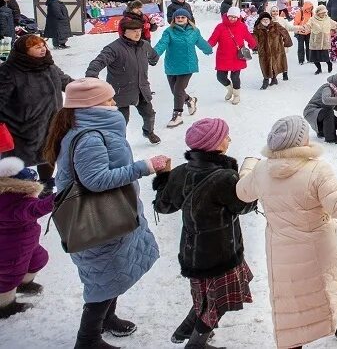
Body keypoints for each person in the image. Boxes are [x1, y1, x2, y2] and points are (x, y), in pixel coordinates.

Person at [44, 78, 169, 349]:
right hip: (98, 221)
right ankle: (87, 339)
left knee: (110, 274)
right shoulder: (89, 136)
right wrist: (144, 167)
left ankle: (107, 319)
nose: (114, 105)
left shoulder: (89, 127)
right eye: (109, 100)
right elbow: (95, 180)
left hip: (112, 217)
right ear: (92, 105)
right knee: (102, 279)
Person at [235, 116, 337, 348]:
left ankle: (294, 343)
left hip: (282, 252)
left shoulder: (263, 169)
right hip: (319, 246)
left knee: (290, 306)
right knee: (333, 281)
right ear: (300, 141)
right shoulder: (316, 169)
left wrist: (248, 168)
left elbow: (243, 192)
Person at [153, 118, 258, 347]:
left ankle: (185, 328)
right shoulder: (224, 178)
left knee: (206, 294)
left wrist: (163, 178)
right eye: (225, 136)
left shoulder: (180, 172)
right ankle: (196, 344)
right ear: (215, 144)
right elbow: (244, 206)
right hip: (221, 252)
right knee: (216, 302)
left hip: (193, 250)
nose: (229, 139)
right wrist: (251, 184)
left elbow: (163, 205)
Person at [0, 35, 72, 185]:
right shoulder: (9, 71)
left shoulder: (48, 66)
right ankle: (13, 197)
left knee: (48, 156)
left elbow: (67, 83)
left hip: (51, 125)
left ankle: (46, 187)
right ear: (24, 51)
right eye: (37, 47)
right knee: (15, 169)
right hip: (21, 131)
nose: (43, 49)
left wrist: (90, 87)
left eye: (43, 46)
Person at [86, 17, 161, 145]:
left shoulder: (144, 45)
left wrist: (153, 59)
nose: (137, 33)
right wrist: (92, 75)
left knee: (149, 114)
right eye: (133, 31)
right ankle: (120, 142)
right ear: (124, 32)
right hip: (120, 91)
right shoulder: (114, 48)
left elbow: (154, 56)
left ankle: (149, 132)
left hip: (141, 88)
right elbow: (98, 62)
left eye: (139, 30)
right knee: (121, 120)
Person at [0, 156, 54, 319]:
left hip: (26, 243)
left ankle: (24, 284)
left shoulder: (13, 196)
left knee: (39, 259)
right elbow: (35, 208)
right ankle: (5, 306)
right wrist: (58, 198)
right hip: (11, 250)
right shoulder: (15, 202)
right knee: (9, 277)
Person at [153, 10, 212, 129]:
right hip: (172, 65)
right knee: (175, 92)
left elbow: (201, 42)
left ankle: (177, 115)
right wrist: (154, 54)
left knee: (178, 90)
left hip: (188, 65)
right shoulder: (169, 32)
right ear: (174, 19)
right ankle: (190, 100)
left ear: (187, 19)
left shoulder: (194, 31)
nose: (180, 19)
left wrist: (208, 49)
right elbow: (162, 44)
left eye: (183, 17)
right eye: (177, 17)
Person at [206, 7, 257, 106]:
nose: (233, 19)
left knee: (235, 77)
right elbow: (213, 39)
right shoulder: (220, 27)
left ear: (238, 17)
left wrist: (253, 44)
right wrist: (207, 47)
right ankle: (230, 89)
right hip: (223, 56)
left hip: (237, 56)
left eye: (235, 17)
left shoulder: (242, 26)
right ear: (227, 16)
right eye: (231, 16)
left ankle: (237, 95)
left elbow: (248, 37)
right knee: (220, 77)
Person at [303, 72, 337, 145]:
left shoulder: (335, 91)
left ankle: (322, 132)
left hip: (320, 112)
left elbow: (333, 105)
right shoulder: (327, 88)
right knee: (328, 112)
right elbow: (326, 100)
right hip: (311, 112)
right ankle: (330, 138)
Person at [253, 12, 292, 89]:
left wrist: (287, 42)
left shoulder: (276, 25)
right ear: (260, 20)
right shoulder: (257, 28)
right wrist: (254, 46)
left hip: (276, 49)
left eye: (267, 19)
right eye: (263, 19)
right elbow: (254, 39)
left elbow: (284, 32)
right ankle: (266, 80)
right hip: (264, 51)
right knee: (265, 65)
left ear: (269, 19)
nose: (265, 20)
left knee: (275, 64)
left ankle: (274, 79)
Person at [307, 4, 337, 75]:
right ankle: (319, 69)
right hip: (315, 41)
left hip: (324, 41)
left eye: (324, 13)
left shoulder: (328, 19)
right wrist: (303, 28)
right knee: (314, 58)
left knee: (325, 57)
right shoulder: (312, 19)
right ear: (318, 13)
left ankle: (329, 64)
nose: (323, 14)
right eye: (322, 13)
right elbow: (308, 25)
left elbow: (336, 25)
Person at [292, 1, 314, 66]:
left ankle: (309, 59)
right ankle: (301, 60)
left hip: (308, 32)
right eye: (309, 8)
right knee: (301, 47)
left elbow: (313, 23)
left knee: (309, 46)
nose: (309, 9)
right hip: (300, 32)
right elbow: (296, 23)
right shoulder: (300, 13)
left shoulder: (312, 14)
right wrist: (298, 30)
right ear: (305, 7)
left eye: (311, 8)